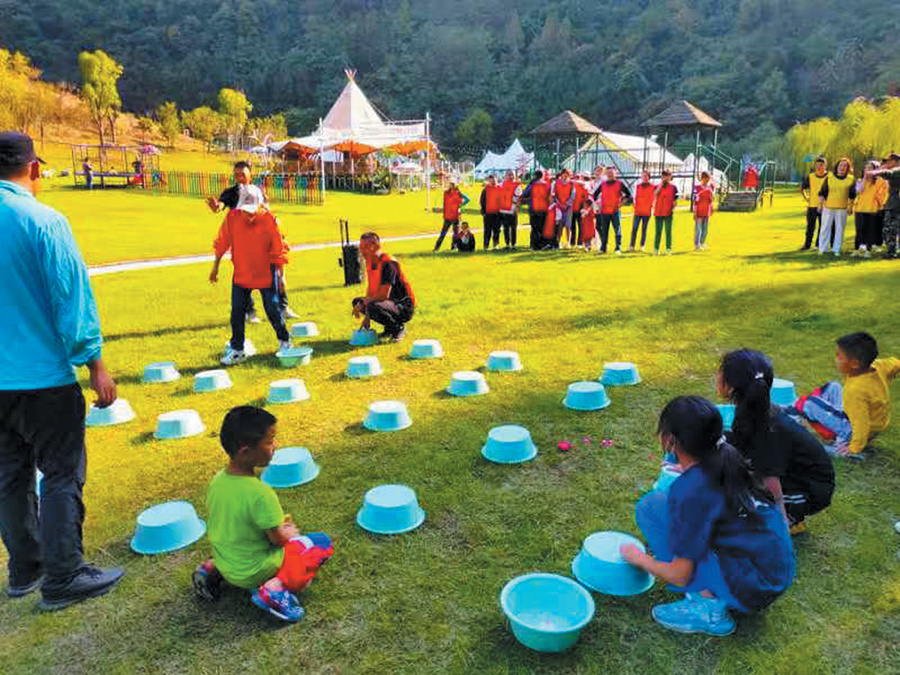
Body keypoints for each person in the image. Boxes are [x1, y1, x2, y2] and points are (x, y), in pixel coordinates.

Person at [0, 131, 124, 610]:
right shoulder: (44, 220)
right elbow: (72, 302)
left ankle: (24, 570)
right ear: (33, 169)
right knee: (60, 474)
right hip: (42, 380)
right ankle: (64, 575)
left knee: (9, 475)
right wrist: (96, 365)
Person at [622, 396, 794, 636]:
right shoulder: (727, 453)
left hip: (752, 588)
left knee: (651, 510)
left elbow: (679, 576)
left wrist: (638, 558)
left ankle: (707, 607)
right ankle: (717, 586)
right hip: (775, 572)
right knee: (657, 504)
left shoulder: (692, 489)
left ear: (670, 439)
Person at [193, 407, 333, 622]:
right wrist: (288, 532)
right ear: (245, 451)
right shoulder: (260, 493)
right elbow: (277, 540)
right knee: (320, 543)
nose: (275, 446)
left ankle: (210, 569)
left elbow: (234, 521)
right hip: (253, 571)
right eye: (269, 442)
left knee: (235, 542)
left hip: (226, 561)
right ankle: (275, 589)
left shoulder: (218, 480)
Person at [717, 350, 835, 535]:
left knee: (743, 501)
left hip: (807, 490)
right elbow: (739, 443)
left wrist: (779, 526)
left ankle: (790, 519)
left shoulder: (767, 430)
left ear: (731, 386)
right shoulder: (752, 410)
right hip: (790, 474)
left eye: (720, 371)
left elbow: (771, 485)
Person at [210, 187, 293, 366]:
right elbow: (222, 242)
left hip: (265, 271)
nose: (247, 215)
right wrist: (215, 267)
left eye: (251, 210)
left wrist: (280, 274)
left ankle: (285, 341)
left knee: (272, 308)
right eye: (244, 210)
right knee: (237, 312)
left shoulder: (271, 220)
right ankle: (238, 350)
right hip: (242, 272)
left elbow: (280, 249)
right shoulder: (232, 218)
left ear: (260, 205)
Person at [208, 161, 298, 321]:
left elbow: (269, 215)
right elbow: (221, 205)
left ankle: (283, 308)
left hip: (262, 243)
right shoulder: (231, 193)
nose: (239, 178)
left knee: (276, 277)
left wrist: (280, 238)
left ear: (250, 175)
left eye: (242, 174)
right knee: (244, 279)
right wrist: (217, 207)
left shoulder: (258, 192)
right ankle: (250, 312)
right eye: (236, 175)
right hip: (243, 245)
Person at [794, 332, 899, 458]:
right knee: (833, 387)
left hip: (854, 430)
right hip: (872, 424)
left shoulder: (856, 391)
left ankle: (843, 447)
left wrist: (854, 448)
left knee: (808, 404)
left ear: (854, 364)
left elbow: (861, 423)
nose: (836, 359)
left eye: (839, 356)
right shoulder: (879, 365)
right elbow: (895, 364)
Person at [352, 232, 416, 342]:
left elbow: (383, 295)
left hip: (403, 306)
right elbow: (371, 292)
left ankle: (398, 329)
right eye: (361, 247)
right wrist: (367, 315)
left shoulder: (388, 263)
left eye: (365, 247)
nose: (361, 251)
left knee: (371, 305)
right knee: (357, 302)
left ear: (375, 246)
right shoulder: (370, 262)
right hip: (389, 303)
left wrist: (365, 304)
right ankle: (389, 329)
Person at [818, 158, 856, 257]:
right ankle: (823, 249)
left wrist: (850, 207)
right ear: (837, 166)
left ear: (848, 168)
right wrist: (820, 206)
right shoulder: (829, 178)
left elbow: (852, 195)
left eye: (845, 166)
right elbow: (822, 193)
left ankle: (836, 249)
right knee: (825, 228)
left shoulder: (851, 179)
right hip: (828, 208)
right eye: (840, 165)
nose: (842, 168)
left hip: (842, 209)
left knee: (840, 229)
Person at [593, 166, 632, 254]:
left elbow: (629, 195)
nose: (610, 174)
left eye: (611, 173)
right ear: (606, 174)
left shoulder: (619, 183)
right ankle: (603, 248)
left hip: (615, 211)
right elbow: (595, 195)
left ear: (615, 173)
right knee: (604, 231)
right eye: (608, 173)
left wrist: (621, 204)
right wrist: (598, 205)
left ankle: (618, 248)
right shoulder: (603, 184)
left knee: (617, 230)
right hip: (604, 212)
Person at [852, 161, 887, 257]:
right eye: (866, 168)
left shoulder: (880, 181)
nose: (867, 170)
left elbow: (881, 195)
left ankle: (868, 249)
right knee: (859, 230)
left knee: (870, 231)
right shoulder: (860, 181)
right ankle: (857, 249)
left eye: (870, 168)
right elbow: (859, 191)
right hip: (860, 209)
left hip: (872, 209)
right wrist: (864, 179)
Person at [874, 152, 900, 258]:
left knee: (890, 229)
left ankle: (891, 252)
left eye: (889, 161)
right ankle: (892, 251)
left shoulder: (896, 171)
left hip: (895, 206)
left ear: (895, 161)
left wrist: (874, 172)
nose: (887, 163)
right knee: (890, 229)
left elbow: (887, 174)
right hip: (892, 204)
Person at [800, 157, 829, 250]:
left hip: (825, 206)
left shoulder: (830, 177)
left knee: (822, 227)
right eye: (817, 165)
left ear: (825, 166)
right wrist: (806, 197)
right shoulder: (811, 176)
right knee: (810, 227)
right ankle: (807, 245)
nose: (819, 167)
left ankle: (818, 245)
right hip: (812, 206)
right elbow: (802, 188)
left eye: (821, 165)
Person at [434, 180, 469, 251]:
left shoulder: (457, 193)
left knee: (455, 234)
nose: (450, 186)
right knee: (443, 233)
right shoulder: (446, 193)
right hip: (447, 216)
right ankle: (437, 248)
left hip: (455, 216)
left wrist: (460, 206)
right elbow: (445, 203)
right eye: (450, 184)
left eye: (452, 184)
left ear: (455, 185)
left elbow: (467, 199)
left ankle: (453, 247)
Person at [521, 171, 550, 250]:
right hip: (544, 209)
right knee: (542, 228)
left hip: (533, 209)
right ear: (542, 176)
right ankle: (542, 244)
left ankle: (533, 245)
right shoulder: (546, 185)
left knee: (534, 228)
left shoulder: (531, 184)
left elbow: (524, 194)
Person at [653, 170, 678, 255]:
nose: (665, 177)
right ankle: (656, 249)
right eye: (663, 175)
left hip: (668, 212)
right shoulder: (657, 186)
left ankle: (668, 248)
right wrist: (661, 184)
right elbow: (655, 193)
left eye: (667, 175)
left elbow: (675, 201)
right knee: (658, 231)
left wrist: (672, 208)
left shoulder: (673, 187)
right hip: (658, 212)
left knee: (668, 231)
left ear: (670, 177)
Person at [629, 170, 655, 252]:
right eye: (643, 176)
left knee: (644, 229)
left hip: (647, 212)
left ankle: (642, 246)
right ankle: (631, 246)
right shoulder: (638, 186)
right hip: (637, 211)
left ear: (649, 177)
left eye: (646, 176)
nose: (644, 177)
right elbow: (634, 197)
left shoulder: (652, 187)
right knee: (634, 229)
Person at [552, 169, 576, 248]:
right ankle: (558, 242)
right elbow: (554, 195)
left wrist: (567, 204)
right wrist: (559, 204)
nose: (565, 175)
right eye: (564, 174)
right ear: (561, 174)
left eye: (567, 174)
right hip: (559, 207)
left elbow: (573, 195)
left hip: (568, 207)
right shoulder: (556, 183)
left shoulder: (571, 183)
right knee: (559, 225)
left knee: (568, 225)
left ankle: (568, 242)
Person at [498, 170, 522, 250]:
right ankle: (507, 244)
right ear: (505, 175)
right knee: (505, 228)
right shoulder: (501, 184)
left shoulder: (517, 185)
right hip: (503, 210)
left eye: (512, 175)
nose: (511, 176)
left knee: (513, 228)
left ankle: (514, 244)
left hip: (512, 209)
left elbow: (519, 198)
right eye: (509, 175)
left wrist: (517, 208)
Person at [692, 172, 715, 251]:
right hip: (699, 210)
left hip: (707, 210)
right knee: (698, 229)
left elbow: (712, 199)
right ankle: (697, 245)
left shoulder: (710, 187)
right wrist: (695, 212)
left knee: (705, 229)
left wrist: (712, 208)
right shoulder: (697, 188)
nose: (708, 180)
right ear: (703, 178)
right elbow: (695, 201)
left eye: (709, 178)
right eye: (706, 178)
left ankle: (702, 243)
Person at [479, 175, 502, 250]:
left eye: (494, 179)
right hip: (488, 213)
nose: (493, 181)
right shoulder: (485, 190)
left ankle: (496, 244)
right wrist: (483, 211)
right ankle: (486, 246)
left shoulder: (499, 188)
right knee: (487, 231)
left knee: (497, 230)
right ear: (489, 181)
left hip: (497, 213)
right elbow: (482, 201)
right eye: (491, 180)